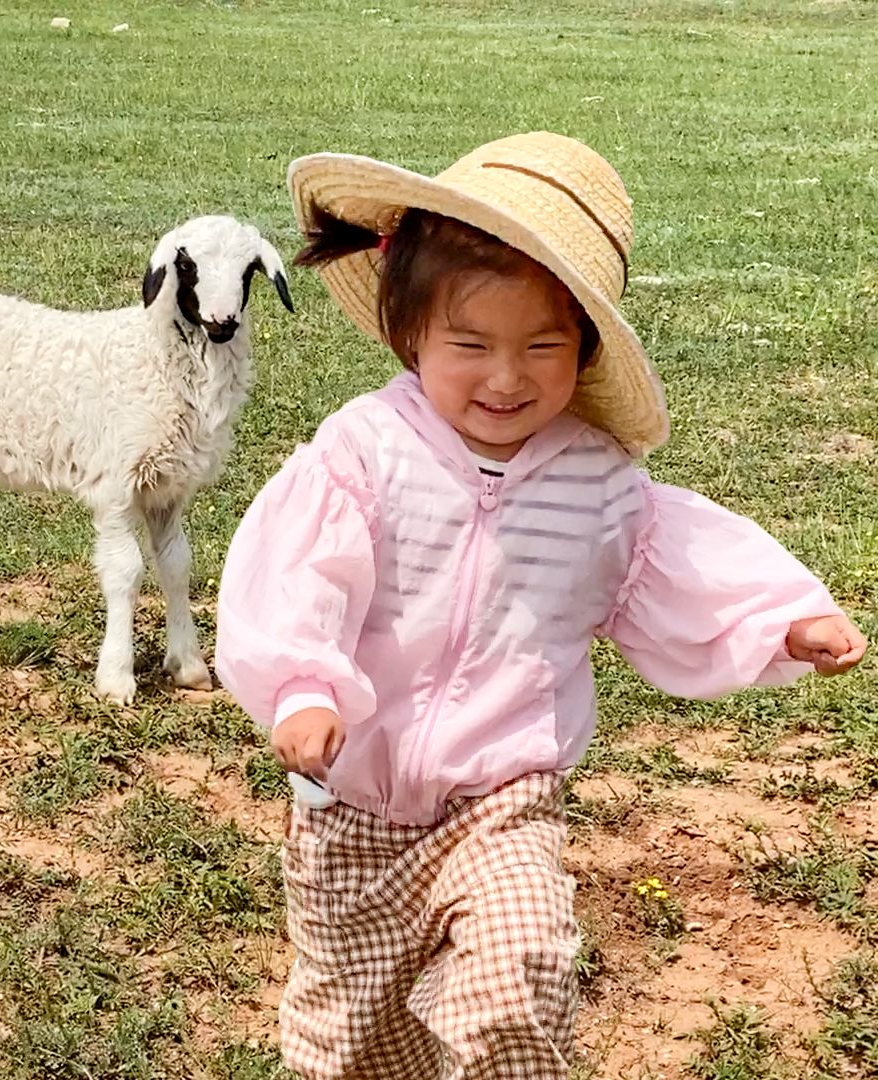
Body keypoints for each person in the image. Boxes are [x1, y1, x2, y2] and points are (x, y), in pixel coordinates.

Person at [214, 131, 866, 1079]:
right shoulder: (365, 453)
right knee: (351, 1044)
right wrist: (306, 687)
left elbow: (675, 563)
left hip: (504, 797)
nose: (508, 378)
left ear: (587, 350)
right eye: (470, 345)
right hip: (356, 798)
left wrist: (781, 617)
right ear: (412, 336)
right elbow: (301, 576)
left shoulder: (600, 484)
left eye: (543, 347)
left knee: (519, 977)